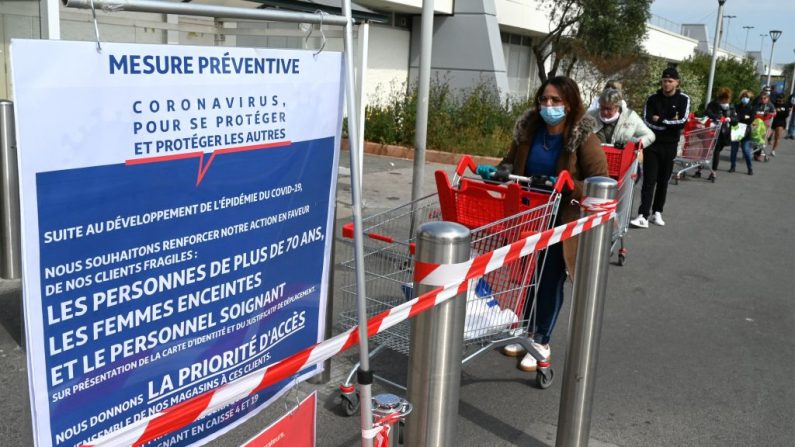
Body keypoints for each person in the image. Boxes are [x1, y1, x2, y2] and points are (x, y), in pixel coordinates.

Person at [475, 76, 607, 372]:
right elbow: (510, 164)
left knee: (549, 279)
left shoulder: (582, 138)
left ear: (569, 104)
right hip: (529, 213)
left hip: (564, 217)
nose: (548, 106)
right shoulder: (529, 131)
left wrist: (570, 185)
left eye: (556, 101)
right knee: (529, 275)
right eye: (544, 99)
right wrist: (495, 173)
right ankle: (525, 328)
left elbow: (601, 181)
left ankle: (541, 338)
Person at [630, 67, 690, 229]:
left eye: (670, 81)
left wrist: (661, 120)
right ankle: (643, 214)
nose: (666, 84)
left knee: (663, 181)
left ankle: (657, 211)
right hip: (653, 145)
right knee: (649, 180)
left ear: (677, 83)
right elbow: (647, 120)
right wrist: (668, 121)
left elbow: (682, 121)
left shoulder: (683, 99)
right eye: (664, 81)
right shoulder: (652, 98)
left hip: (670, 146)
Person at [587, 88, 655, 152]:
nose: (605, 112)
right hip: (596, 157)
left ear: (617, 107)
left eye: (609, 109)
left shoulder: (630, 117)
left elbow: (650, 135)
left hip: (621, 158)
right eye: (602, 108)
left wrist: (636, 145)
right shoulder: (590, 116)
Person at [703, 87, 736, 178]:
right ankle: (713, 171)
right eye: (723, 100)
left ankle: (712, 169)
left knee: (718, 149)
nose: (725, 102)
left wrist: (730, 119)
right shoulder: (713, 104)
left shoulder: (731, 106)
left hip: (724, 133)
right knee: (713, 151)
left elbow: (735, 120)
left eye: (727, 100)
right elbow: (707, 113)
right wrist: (717, 117)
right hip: (712, 131)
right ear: (720, 98)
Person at [729, 89, 755, 175]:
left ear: (750, 98)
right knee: (734, 150)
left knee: (746, 150)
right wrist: (743, 117)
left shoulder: (751, 108)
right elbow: (733, 117)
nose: (745, 98)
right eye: (743, 96)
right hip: (736, 129)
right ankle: (733, 166)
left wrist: (739, 117)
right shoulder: (736, 106)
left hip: (746, 131)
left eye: (747, 97)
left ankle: (750, 168)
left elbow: (750, 120)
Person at [751, 90, 775, 161]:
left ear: (768, 99)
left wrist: (770, 114)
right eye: (761, 98)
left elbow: (774, 112)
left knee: (763, 140)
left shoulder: (770, 105)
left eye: (765, 98)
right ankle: (757, 154)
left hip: (766, 125)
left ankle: (759, 153)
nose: (763, 100)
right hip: (757, 125)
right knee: (756, 139)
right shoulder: (757, 105)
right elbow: (753, 113)